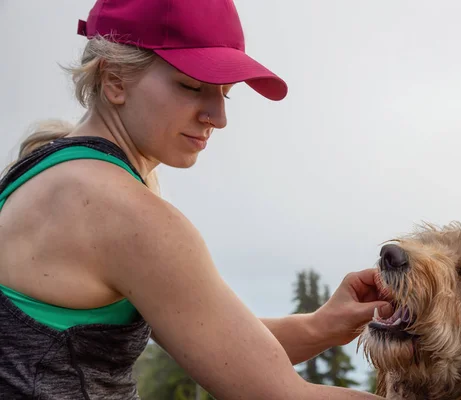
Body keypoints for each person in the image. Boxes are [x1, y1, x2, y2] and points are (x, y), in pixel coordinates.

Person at [0, 1, 395, 399]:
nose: (218, 116)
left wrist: (321, 325)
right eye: (192, 86)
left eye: (225, 92)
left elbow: (217, 343)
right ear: (115, 79)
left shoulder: (51, 168)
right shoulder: (120, 210)